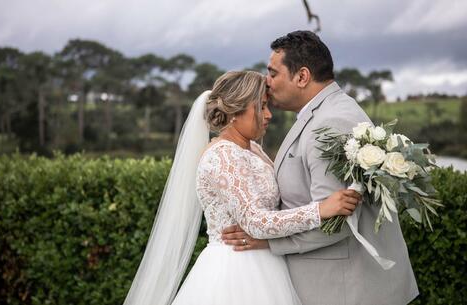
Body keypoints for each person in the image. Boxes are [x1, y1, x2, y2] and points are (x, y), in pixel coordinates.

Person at [122, 70, 361, 305]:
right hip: (235, 270)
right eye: (261, 107)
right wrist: (320, 210)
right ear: (235, 111)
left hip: (268, 265)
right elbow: (255, 221)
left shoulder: (252, 149)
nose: (268, 115)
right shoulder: (222, 156)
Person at [222, 30, 419, 305]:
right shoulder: (328, 110)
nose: (266, 82)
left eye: (273, 73)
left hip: (346, 290)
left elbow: (337, 222)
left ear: (301, 77)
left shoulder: (329, 123)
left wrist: (268, 241)